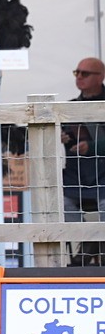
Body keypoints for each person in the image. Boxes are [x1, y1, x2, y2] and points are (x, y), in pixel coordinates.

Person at [63, 56, 105, 265]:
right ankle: (89, 243)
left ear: (101, 77)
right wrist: (61, 137)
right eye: (76, 72)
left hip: (103, 176)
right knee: (60, 203)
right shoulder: (68, 108)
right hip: (76, 177)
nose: (79, 77)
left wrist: (94, 147)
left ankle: (97, 244)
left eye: (85, 73)